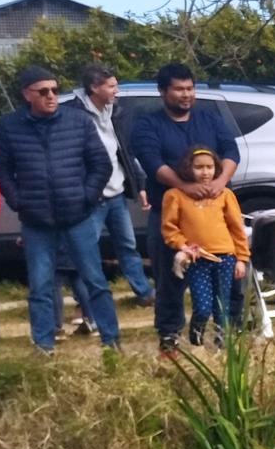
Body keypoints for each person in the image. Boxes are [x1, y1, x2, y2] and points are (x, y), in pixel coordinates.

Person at [0, 64, 123, 352]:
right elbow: (3, 171)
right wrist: (19, 201)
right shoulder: (10, 127)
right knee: (40, 286)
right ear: (26, 95)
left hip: (77, 215)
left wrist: (87, 196)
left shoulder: (77, 121)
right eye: (43, 92)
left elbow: (101, 164)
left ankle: (111, 340)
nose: (52, 96)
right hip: (36, 221)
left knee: (95, 281)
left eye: (55, 90)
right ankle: (44, 345)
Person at [127, 64, 233, 351]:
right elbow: (152, 162)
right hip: (171, 214)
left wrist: (221, 180)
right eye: (178, 89)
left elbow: (230, 151)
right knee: (169, 278)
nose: (186, 95)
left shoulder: (209, 119)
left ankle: (224, 333)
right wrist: (184, 188)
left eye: (190, 88)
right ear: (163, 92)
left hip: (213, 215)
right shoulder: (148, 125)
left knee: (223, 276)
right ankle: (170, 336)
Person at [66, 64, 153, 308]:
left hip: (115, 195)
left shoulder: (115, 112)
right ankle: (88, 302)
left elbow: (124, 152)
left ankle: (144, 292)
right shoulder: (73, 114)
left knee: (128, 246)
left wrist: (139, 184)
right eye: (112, 86)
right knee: (85, 252)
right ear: (94, 87)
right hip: (90, 199)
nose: (117, 91)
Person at [160, 148, 249, 347]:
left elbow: (237, 228)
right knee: (202, 305)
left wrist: (241, 259)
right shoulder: (175, 195)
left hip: (225, 258)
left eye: (209, 167)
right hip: (197, 259)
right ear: (188, 169)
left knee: (222, 304)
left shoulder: (224, 194)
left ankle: (221, 341)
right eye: (199, 167)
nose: (205, 172)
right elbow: (169, 228)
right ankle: (197, 333)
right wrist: (183, 246)